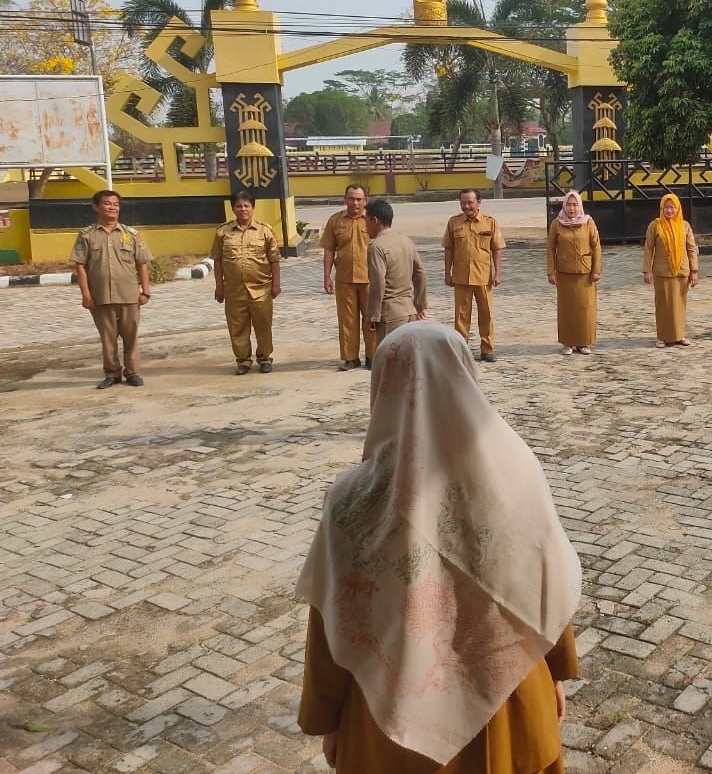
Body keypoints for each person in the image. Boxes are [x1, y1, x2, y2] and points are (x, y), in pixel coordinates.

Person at [296, 325, 582, 774]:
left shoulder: (350, 501)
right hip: (511, 701)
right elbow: (542, 577)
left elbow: (334, 619)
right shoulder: (516, 475)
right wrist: (556, 669)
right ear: (465, 379)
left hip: (387, 723)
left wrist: (328, 717)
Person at [69, 189, 153, 389]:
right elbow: (80, 265)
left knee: (131, 336)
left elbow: (142, 264)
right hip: (100, 297)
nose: (112, 207)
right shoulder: (87, 235)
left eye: (115, 204)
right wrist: (86, 294)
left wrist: (146, 291)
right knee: (107, 338)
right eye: (107, 203)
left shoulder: (131, 234)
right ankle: (112, 373)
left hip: (129, 295)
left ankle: (132, 372)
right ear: (96, 207)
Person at [211, 191, 282, 373]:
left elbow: (274, 259)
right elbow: (217, 260)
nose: (243, 209)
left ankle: (265, 358)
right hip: (234, 290)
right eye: (239, 206)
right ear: (233, 208)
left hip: (261, 289)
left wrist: (276, 284)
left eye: (246, 205)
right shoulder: (223, 232)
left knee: (263, 326)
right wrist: (219, 286)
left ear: (253, 208)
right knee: (237, 327)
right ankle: (242, 360)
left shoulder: (265, 231)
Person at [443, 189, 506, 363]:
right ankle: (461, 349)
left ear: (479, 202)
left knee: (486, 314)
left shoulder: (490, 223)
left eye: (470, 202)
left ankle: (487, 349)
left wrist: (497, 273)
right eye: (463, 202)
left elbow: (496, 249)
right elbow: (449, 249)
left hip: (483, 277)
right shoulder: (453, 223)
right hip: (461, 277)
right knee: (461, 316)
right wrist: (447, 273)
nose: (467, 206)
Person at [322, 184, 376, 372]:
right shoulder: (335, 221)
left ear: (365, 201)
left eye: (359, 199)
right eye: (351, 198)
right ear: (345, 199)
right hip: (344, 278)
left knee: (372, 319)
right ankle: (350, 358)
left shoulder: (373, 219)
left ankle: (373, 356)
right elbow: (329, 249)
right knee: (347, 320)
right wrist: (327, 276)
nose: (355, 202)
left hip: (370, 279)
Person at [364, 199, 427, 349]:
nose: (365, 227)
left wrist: (373, 315)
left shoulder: (376, 247)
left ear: (375, 220)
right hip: (409, 310)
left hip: (390, 314)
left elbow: (378, 283)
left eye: (366, 222)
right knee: (408, 359)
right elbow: (420, 273)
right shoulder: (406, 241)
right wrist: (420, 304)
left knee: (391, 362)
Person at [546, 191, 602, 355]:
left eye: (575, 204)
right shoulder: (557, 223)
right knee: (567, 309)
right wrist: (551, 272)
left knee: (585, 309)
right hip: (564, 273)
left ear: (580, 206)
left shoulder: (588, 222)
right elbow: (550, 248)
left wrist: (596, 270)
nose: (572, 208)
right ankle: (567, 342)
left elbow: (596, 246)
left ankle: (583, 342)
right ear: (564, 205)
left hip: (585, 273)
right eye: (569, 204)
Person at [641, 193, 699, 348]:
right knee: (663, 304)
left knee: (680, 304)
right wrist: (646, 270)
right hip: (662, 272)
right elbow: (648, 249)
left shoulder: (685, 225)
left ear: (678, 208)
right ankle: (662, 337)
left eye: (672, 207)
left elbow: (691, 249)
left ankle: (679, 335)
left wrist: (694, 270)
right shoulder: (655, 225)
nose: (669, 210)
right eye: (666, 207)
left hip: (681, 272)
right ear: (661, 208)